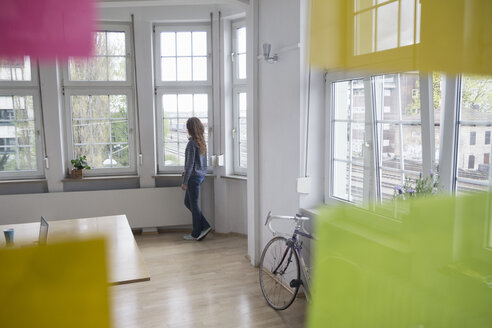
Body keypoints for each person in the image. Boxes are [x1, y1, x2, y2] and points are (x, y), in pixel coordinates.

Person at [181, 117, 212, 241]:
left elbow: (189, 165)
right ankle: (204, 226)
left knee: (193, 204)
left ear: (190, 129)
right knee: (189, 203)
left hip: (193, 178)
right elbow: (199, 164)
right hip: (200, 176)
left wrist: (184, 182)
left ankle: (196, 233)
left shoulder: (191, 144)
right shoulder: (201, 142)